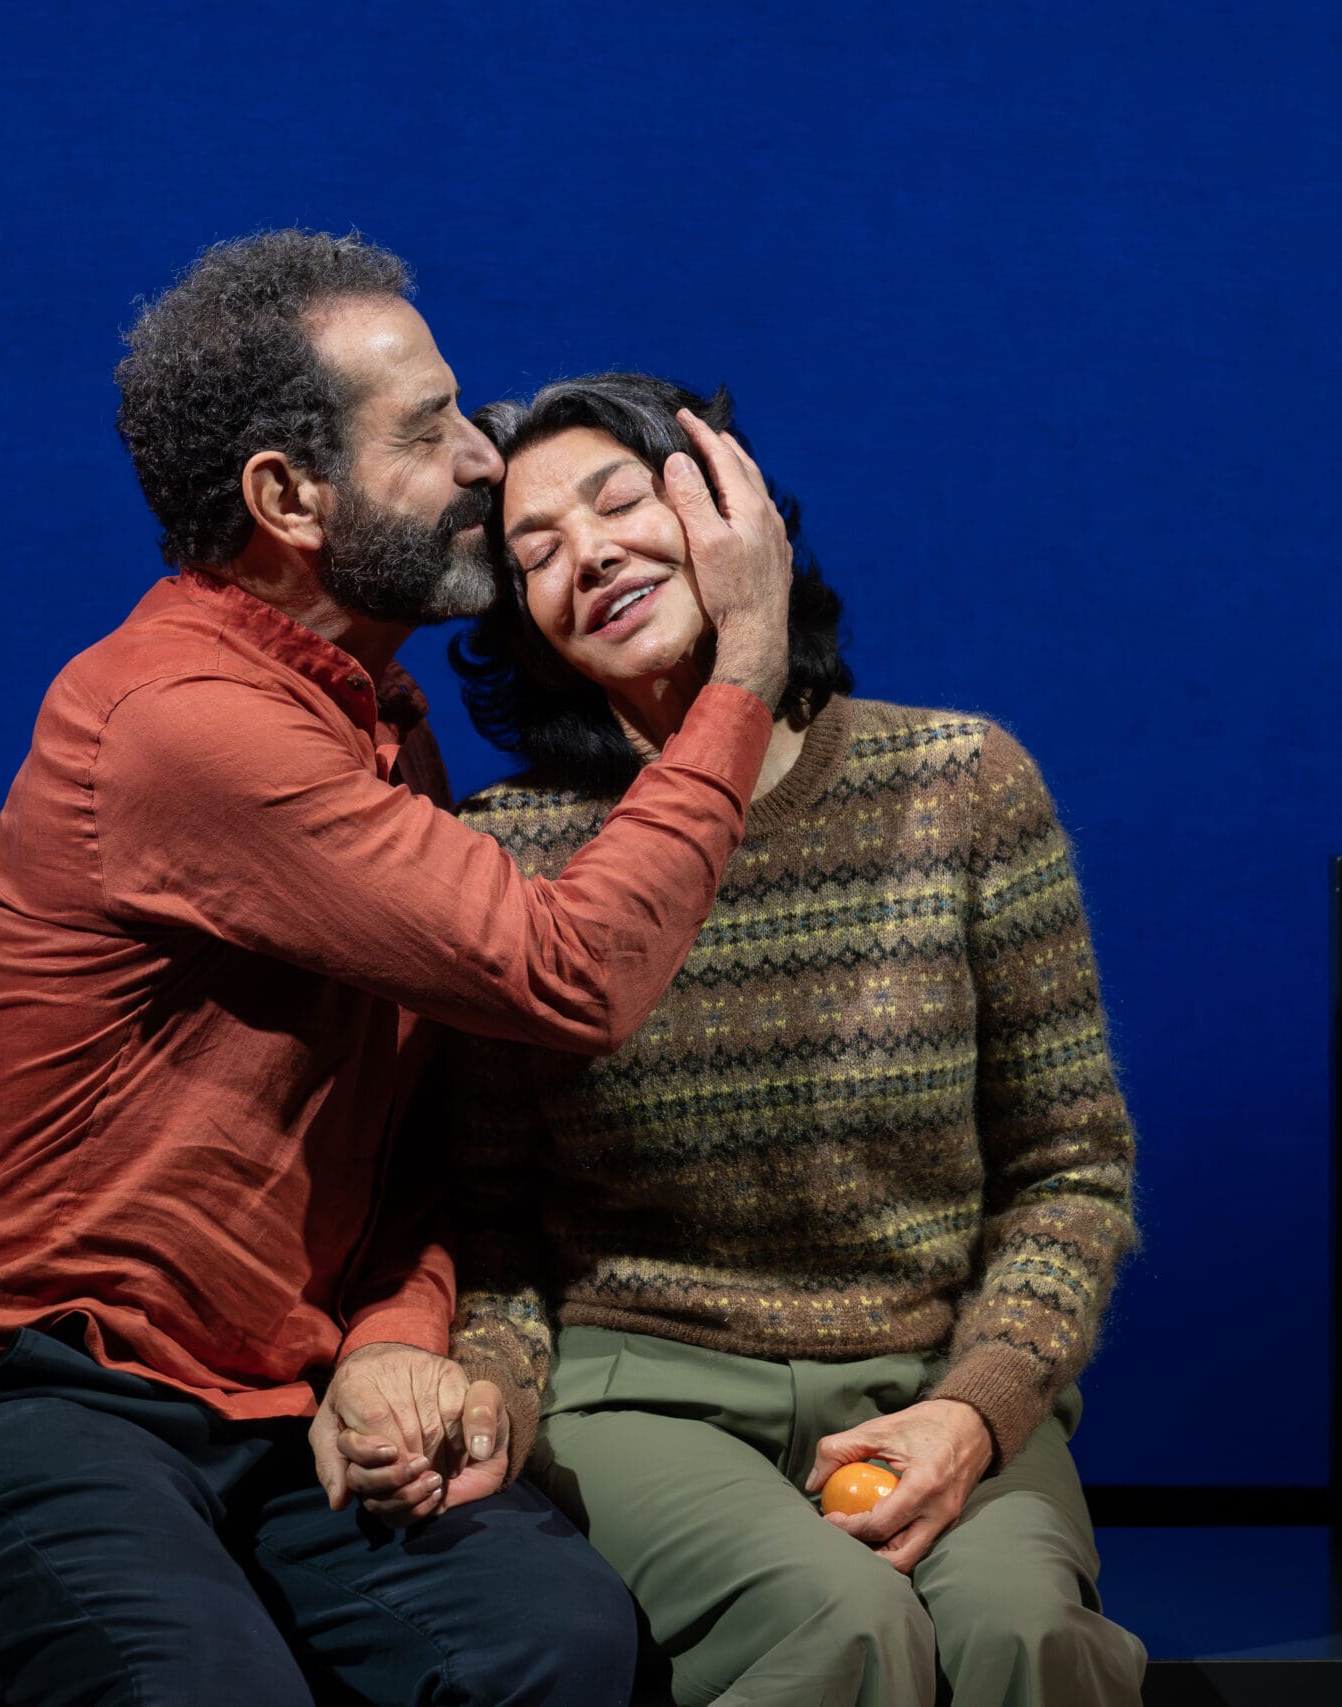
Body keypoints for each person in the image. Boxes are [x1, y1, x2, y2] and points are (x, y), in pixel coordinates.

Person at [0, 236, 801, 1707]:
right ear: (289, 500)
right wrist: (744, 666)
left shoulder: (383, 726)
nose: (488, 459)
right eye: (429, 429)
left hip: (286, 1400)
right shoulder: (184, 725)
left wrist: (397, 1338)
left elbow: (400, 1136)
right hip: (38, 1393)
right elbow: (575, 971)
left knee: (554, 1647)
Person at [419, 372, 1147, 1706]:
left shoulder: (959, 785)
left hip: (930, 1366)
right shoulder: (502, 854)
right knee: (838, 1628)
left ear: (738, 507)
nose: (589, 555)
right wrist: (496, 1397)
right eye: (535, 554)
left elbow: (1071, 1172)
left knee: (1022, 1639)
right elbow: (489, 1223)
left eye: (620, 501)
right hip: (642, 1393)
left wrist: (976, 1407)